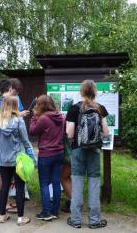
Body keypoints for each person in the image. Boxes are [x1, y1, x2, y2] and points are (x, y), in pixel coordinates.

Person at [65, 80, 109, 229]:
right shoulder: (100, 109)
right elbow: (106, 132)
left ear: (81, 92)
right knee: (94, 184)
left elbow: (69, 134)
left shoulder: (74, 109)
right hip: (95, 151)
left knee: (77, 184)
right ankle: (94, 220)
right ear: (94, 92)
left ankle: (76, 220)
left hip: (78, 150)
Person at [0, 96, 35, 226]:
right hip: (17, 159)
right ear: (15, 106)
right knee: (20, 187)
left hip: (2, 158)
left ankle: (2, 216)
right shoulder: (19, 121)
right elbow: (26, 141)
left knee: (4, 185)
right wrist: (32, 157)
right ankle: (20, 218)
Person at [29, 95, 65, 221]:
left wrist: (34, 117)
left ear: (41, 105)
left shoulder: (43, 118)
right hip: (59, 153)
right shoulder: (60, 117)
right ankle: (55, 211)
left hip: (46, 154)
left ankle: (46, 212)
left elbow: (32, 131)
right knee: (56, 182)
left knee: (44, 184)